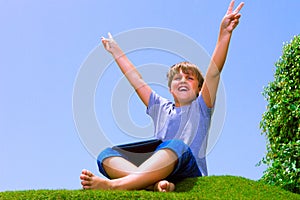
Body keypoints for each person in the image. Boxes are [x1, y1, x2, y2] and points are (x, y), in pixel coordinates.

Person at [80, 0, 244, 192]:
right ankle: (154, 184)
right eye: (177, 78)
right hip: (157, 169)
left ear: (199, 88)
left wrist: (224, 34)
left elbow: (214, 73)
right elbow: (137, 80)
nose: (182, 80)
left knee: (176, 145)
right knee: (106, 155)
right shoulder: (160, 107)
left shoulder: (201, 106)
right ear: (170, 89)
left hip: (187, 168)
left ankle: (117, 185)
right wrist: (116, 51)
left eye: (189, 78)